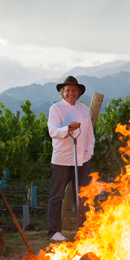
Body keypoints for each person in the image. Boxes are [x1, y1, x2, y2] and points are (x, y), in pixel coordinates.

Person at [47, 76, 95, 241]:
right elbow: (53, 131)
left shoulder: (83, 109)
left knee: (82, 196)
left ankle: (84, 230)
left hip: (82, 159)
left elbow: (89, 133)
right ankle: (55, 232)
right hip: (62, 159)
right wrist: (68, 129)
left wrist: (89, 152)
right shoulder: (56, 109)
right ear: (62, 92)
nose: (71, 93)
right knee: (57, 196)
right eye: (67, 90)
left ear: (79, 92)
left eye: (74, 90)